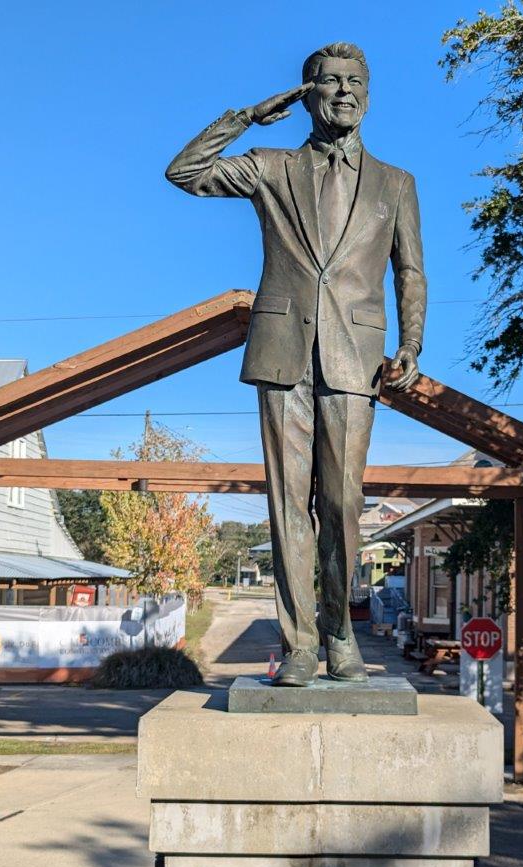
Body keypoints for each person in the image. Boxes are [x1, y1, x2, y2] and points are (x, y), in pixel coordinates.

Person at [166, 42, 426, 686]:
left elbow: (410, 272)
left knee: (341, 501)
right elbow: (185, 172)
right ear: (306, 93)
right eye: (331, 82)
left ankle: (341, 634)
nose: (345, 93)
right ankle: (301, 643)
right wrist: (251, 115)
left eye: (357, 82)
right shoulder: (271, 166)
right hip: (283, 353)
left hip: (356, 359)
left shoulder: (396, 183)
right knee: (287, 503)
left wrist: (412, 344)